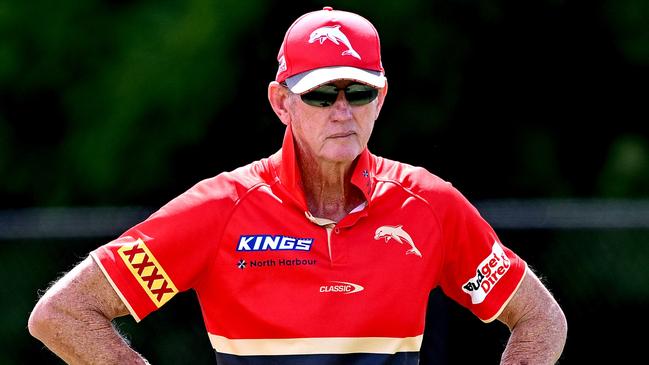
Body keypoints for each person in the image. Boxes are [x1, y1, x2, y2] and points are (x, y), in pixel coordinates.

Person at [28, 6, 567, 364]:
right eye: (319, 94)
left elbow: (540, 318)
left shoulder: (429, 206)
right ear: (281, 102)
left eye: (357, 93)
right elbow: (63, 313)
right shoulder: (220, 209)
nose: (341, 112)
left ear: (380, 100)